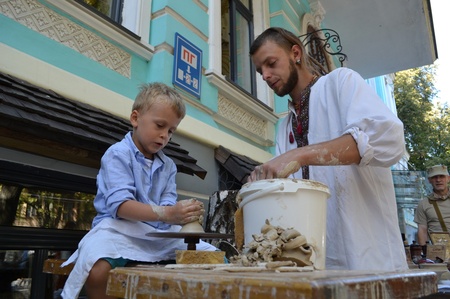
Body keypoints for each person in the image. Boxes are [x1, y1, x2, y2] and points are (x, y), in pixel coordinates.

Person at [248, 27, 407, 271]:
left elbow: (388, 139)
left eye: (271, 63)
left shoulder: (341, 82)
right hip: (315, 264)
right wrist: (260, 185)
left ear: (295, 53)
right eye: (261, 71)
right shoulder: (284, 126)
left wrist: (298, 155)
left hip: (367, 257)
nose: (266, 75)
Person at [61, 83, 216, 298]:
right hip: (116, 230)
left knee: (215, 258)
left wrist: (183, 214)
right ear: (135, 118)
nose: (164, 136)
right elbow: (121, 206)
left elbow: (168, 207)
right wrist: (169, 213)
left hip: (154, 234)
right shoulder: (117, 154)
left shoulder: (168, 165)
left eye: (171, 131)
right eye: (159, 125)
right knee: (97, 272)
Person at [414, 165, 450, 246]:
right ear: (429, 180)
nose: (438, 180)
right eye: (434, 177)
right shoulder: (424, 204)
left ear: (448, 178)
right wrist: (425, 253)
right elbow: (422, 230)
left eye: (442, 176)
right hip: (438, 253)